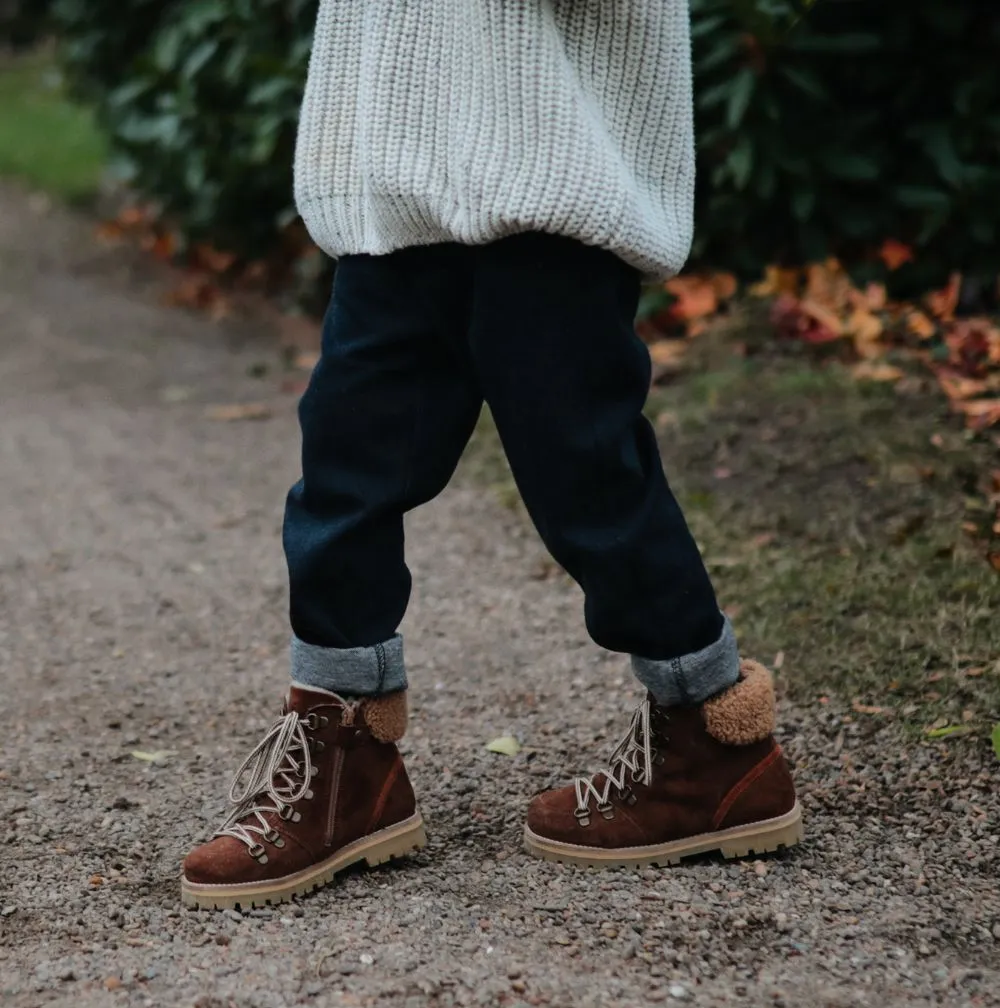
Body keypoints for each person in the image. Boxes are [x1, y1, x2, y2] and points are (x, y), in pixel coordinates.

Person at [181, 0, 802, 911]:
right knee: (347, 455)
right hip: (397, 167)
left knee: (582, 464)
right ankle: (346, 751)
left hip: (551, 164)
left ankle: (713, 737)